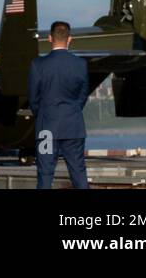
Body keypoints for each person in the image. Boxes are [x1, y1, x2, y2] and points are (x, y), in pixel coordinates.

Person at [27, 20, 90, 189]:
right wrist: (72, 110)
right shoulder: (80, 65)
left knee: (45, 174)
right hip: (73, 127)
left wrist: (42, 114)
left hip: (47, 128)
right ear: (70, 39)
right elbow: (83, 95)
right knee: (78, 172)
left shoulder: (38, 65)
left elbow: (33, 98)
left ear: (49, 38)